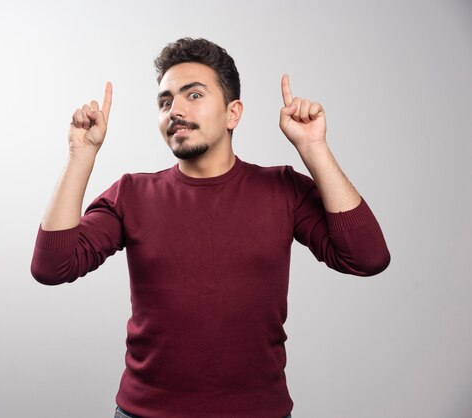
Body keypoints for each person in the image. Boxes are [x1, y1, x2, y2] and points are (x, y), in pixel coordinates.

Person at [31, 38, 390, 418]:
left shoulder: (283, 189)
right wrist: (80, 154)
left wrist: (314, 147)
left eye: (194, 95)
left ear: (233, 113)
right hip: (144, 413)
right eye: (165, 101)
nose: (176, 111)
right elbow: (52, 267)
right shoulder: (132, 194)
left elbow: (367, 258)